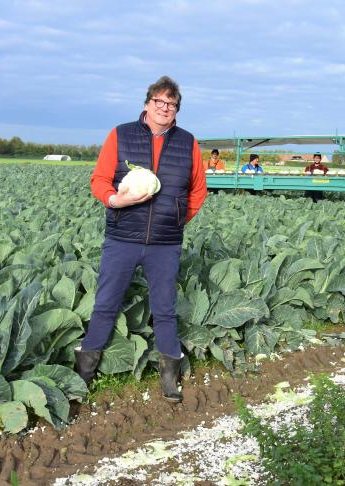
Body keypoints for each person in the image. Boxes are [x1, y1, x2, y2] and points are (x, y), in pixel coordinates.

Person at [77, 76, 208, 403]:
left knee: (165, 308)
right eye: (159, 102)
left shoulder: (188, 142)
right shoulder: (121, 134)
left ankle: (168, 377)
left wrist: (177, 219)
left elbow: (198, 191)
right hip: (123, 236)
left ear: (177, 109)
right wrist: (113, 200)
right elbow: (100, 179)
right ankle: (83, 377)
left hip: (165, 243)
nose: (165, 108)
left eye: (172, 104)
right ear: (147, 104)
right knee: (105, 303)